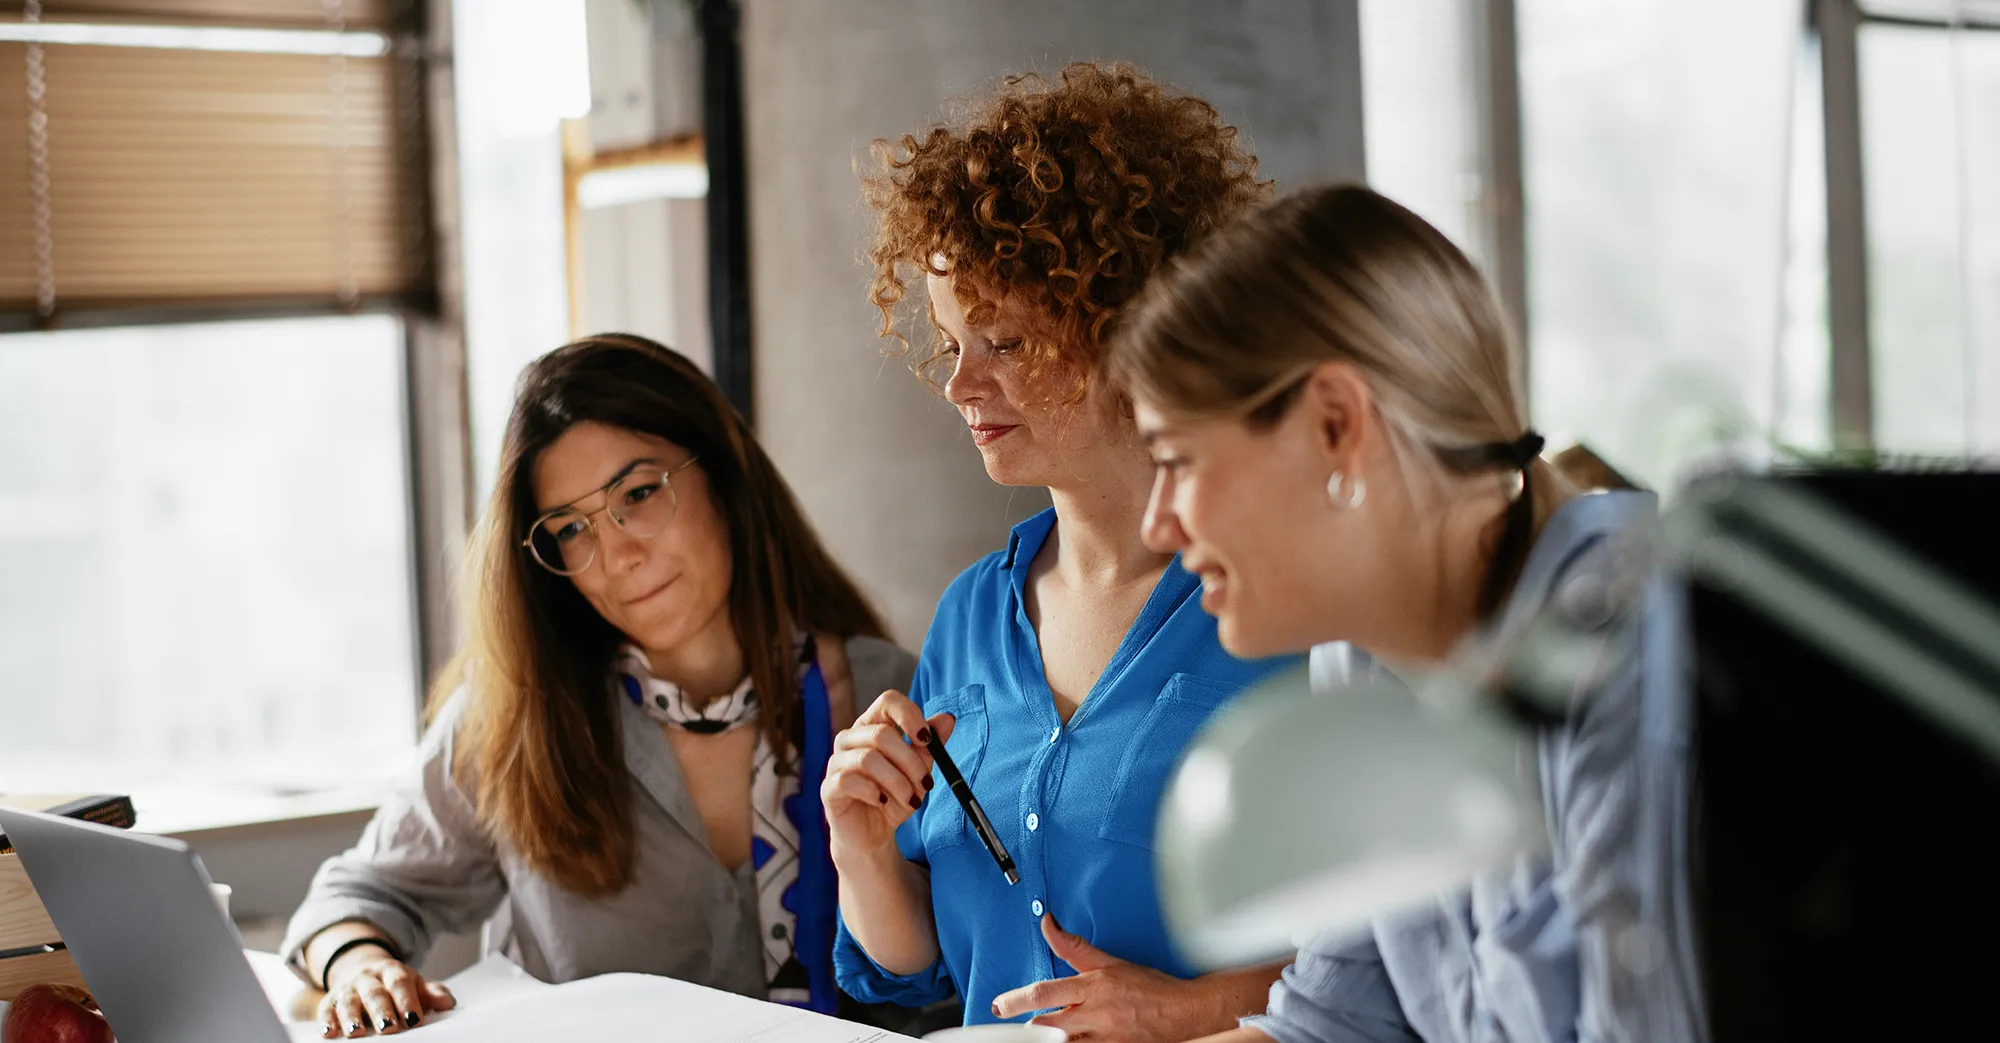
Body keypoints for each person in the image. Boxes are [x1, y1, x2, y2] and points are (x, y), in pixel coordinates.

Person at [1109, 184, 1704, 1043]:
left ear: (1336, 424)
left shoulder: (1631, 651)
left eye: (1178, 458)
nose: (1158, 523)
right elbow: (1333, 1025)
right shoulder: (1359, 657)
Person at [824, 62, 1303, 1043]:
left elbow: (1414, 952)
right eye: (951, 342)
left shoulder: (1291, 601)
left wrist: (1192, 1009)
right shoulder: (969, 615)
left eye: (1000, 339)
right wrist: (862, 845)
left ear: (1129, 324)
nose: (961, 384)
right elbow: (913, 976)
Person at [282, 334, 916, 1038]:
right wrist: (358, 963)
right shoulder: (516, 719)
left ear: (725, 476)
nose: (617, 554)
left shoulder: (887, 693)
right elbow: (357, 893)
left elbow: (970, 970)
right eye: (571, 529)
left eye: (639, 494)